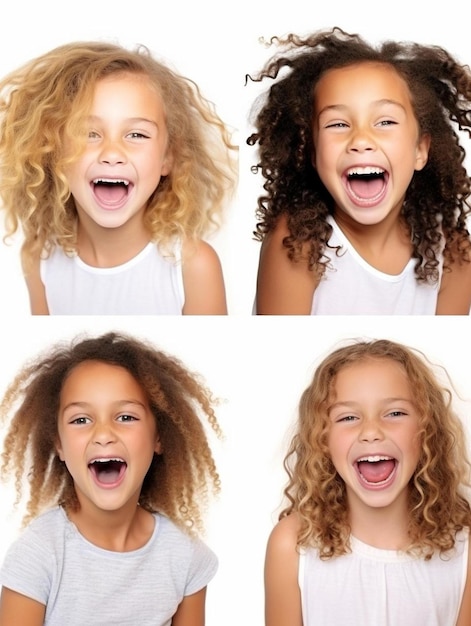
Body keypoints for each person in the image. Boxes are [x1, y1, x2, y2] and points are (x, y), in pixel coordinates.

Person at [0, 332, 221, 626]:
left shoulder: (185, 557)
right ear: (59, 445)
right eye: (81, 420)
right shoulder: (39, 554)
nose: (103, 435)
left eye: (126, 417)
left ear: (159, 437)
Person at [0, 42, 236, 314]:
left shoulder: (193, 266)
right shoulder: (40, 259)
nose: (112, 153)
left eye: (136, 134)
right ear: (52, 151)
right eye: (89, 133)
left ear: (168, 157)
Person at [247, 28, 471, 314]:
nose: (362, 140)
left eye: (385, 122)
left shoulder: (454, 254)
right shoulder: (297, 246)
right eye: (338, 124)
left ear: (420, 150)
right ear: (312, 153)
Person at [265, 339, 471, 625]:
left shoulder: (464, 552)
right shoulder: (292, 545)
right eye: (348, 417)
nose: (371, 432)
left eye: (395, 413)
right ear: (322, 440)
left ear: (427, 430)